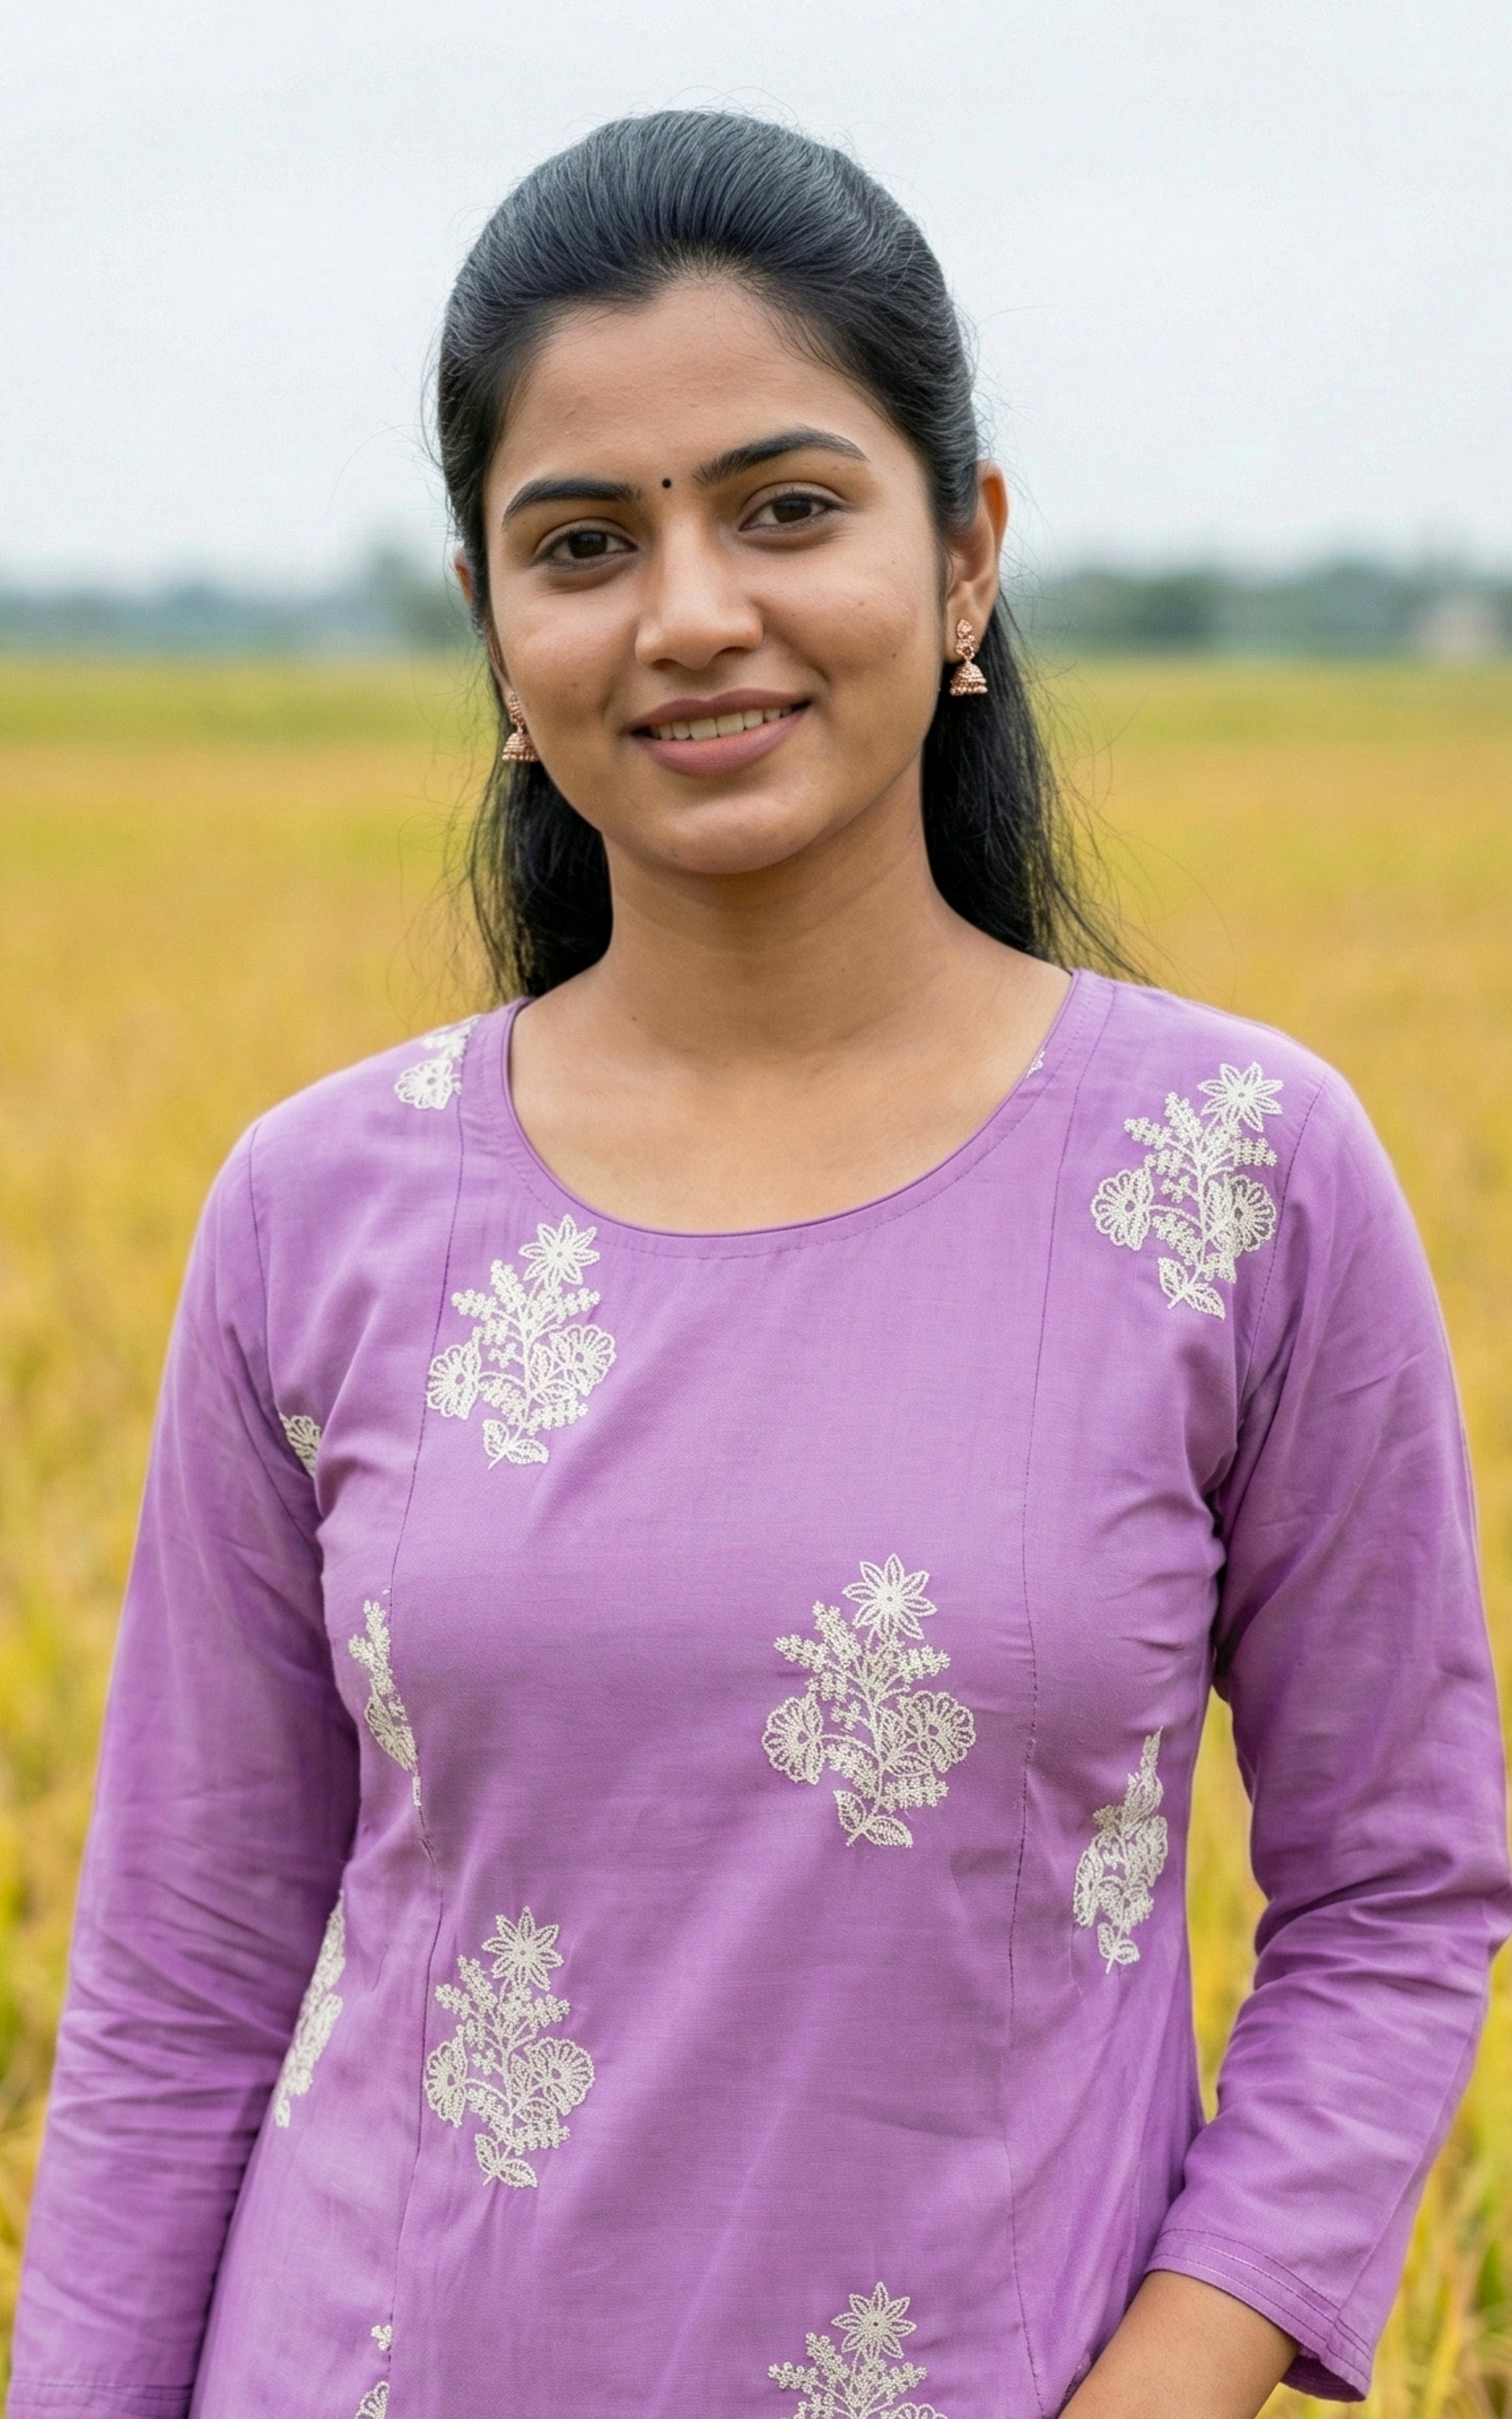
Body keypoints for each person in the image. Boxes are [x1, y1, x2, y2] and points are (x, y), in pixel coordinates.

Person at [11, 110, 1510, 2419]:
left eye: (785, 507)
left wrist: (1158, 2382)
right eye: (583, 541)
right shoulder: (317, 1210)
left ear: (965, 552)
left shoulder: (1233, 1176)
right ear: (496, 624)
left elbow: (1397, 1898)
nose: (689, 610)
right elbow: (181, 1992)